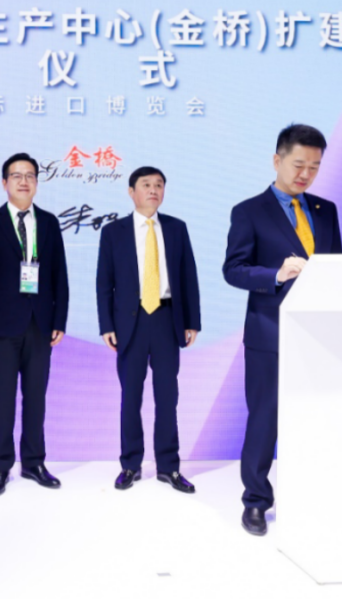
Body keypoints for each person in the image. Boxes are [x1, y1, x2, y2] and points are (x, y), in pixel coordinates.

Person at [223, 124, 342, 536]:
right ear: (277, 160)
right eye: (298, 165)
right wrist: (276, 273)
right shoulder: (248, 211)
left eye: (315, 167)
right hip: (269, 333)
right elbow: (233, 270)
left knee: (316, 415)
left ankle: (311, 496)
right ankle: (256, 501)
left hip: (320, 332)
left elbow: (336, 265)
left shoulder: (326, 210)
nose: (306, 174)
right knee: (265, 419)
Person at [0, 153, 69, 496]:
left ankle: (34, 462)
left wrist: (59, 319)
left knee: (36, 398)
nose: (23, 181)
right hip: (1, 328)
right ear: (4, 183)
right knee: (2, 400)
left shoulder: (50, 223)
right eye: (16, 175)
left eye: (30, 176)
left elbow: (59, 274)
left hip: (40, 324)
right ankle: (0, 467)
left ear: (37, 183)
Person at [96, 166, 201, 493]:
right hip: (131, 321)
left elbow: (188, 275)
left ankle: (169, 466)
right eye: (146, 185)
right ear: (132, 192)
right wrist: (106, 325)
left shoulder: (176, 228)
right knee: (131, 396)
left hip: (167, 319)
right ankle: (130, 464)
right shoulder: (113, 232)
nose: (153, 190)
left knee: (168, 396)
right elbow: (104, 282)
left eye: (159, 185)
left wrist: (192, 321)